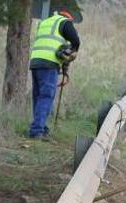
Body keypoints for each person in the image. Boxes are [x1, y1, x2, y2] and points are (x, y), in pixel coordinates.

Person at [28, 8, 80, 139]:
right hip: (49, 64)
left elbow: (51, 43)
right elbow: (76, 41)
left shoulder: (45, 22)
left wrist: (63, 59)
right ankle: (36, 131)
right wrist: (71, 53)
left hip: (35, 61)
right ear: (69, 18)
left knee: (38, 96)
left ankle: (42, 127)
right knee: (46, 96)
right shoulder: (65, 22)